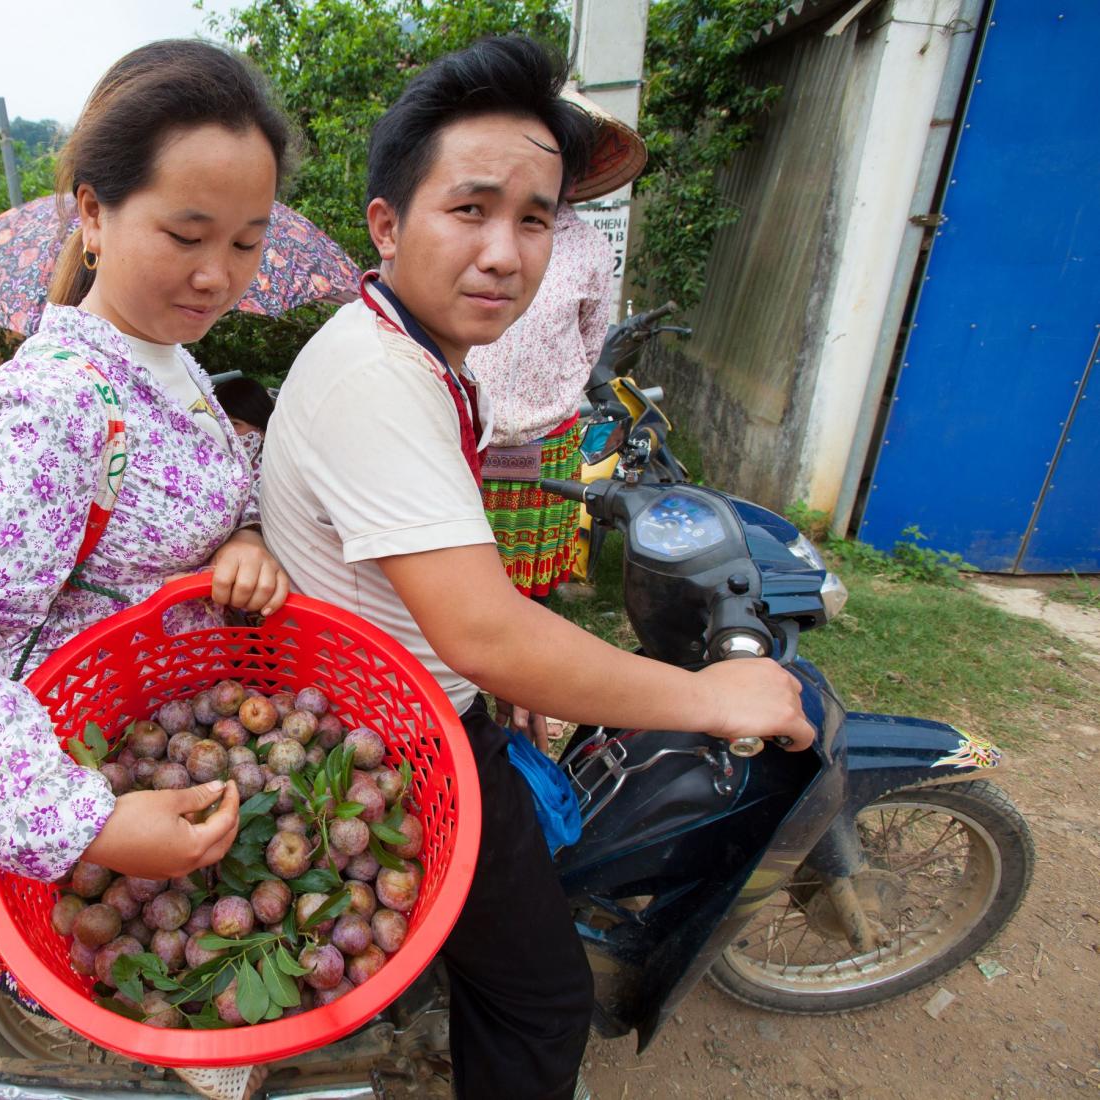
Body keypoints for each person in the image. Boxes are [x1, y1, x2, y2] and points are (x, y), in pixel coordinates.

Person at [259, 37, 815, 1100]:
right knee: (544, 999)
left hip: (407, 694)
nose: (507, 251)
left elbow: (462, 601)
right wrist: (703, 694)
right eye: (469, 209)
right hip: (400, 745)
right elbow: (483, 632)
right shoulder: (379, 381)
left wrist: (514, 681)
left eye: (534, 218)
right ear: (387, 224)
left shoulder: (414, 356)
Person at [0, 47, 293, 1096]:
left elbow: (213, 489)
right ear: (94, 214)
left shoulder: (174, 356)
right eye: (187, 235)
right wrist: (90, 822)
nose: (218, 275)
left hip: (182, 740)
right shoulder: (49, 408)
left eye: (246, 241)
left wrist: (243, 534)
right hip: (101, 774)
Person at [467, 90, 636, 599]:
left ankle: (523, 658)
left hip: (548, 436)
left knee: (530, 576)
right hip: (469, 430)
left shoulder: (588, 248)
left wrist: (549, 398)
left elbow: (588, 346)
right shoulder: (472, 229)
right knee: (468, 569)